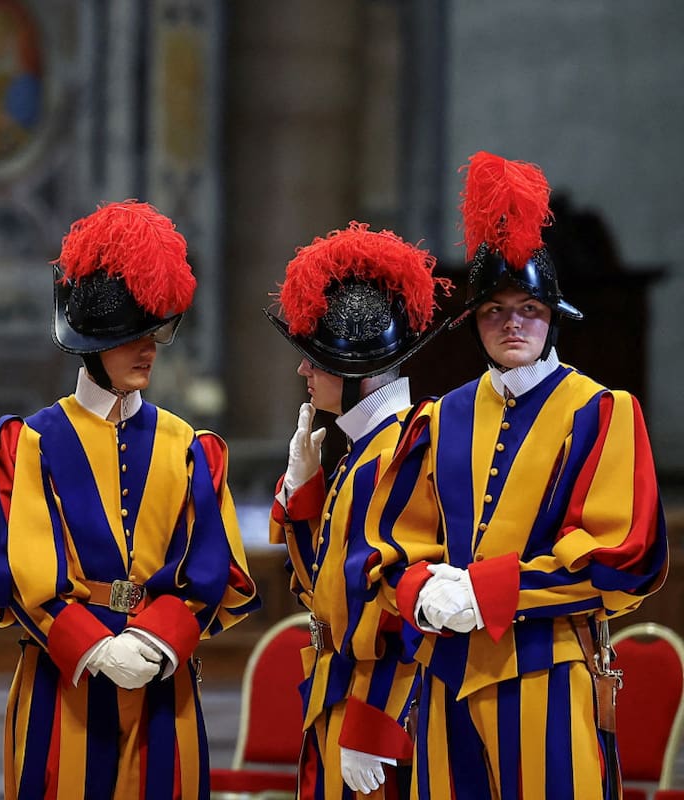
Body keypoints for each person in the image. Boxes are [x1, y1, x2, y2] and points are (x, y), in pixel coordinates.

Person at [362, 151, 669, 800]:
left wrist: (484, 591)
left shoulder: (600, 411)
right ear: (472, 321)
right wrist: (419, 588)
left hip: (549, 675)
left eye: (528, 307)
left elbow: (621, 558)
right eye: (494, 310)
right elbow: (393, 545)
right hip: (444, 676)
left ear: (553, 314)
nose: (513, 323)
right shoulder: (439, 418)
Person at [0, 200, 260, 799]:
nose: (150, 349)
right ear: (90, 343)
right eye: (132, 336)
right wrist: (96, 648)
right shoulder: (32, 442)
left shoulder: (189, 444)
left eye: (153, 332)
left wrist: (155, 641)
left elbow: (214, 568)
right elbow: (20, 576)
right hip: (64, 686)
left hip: (165, 680)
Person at [265, 222, 451, 800]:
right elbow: (319, 584)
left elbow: (401, 604)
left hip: (371, 708)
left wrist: (372, 725)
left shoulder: (399, 452)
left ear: (358, 372)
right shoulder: (364, 452)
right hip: (336, 692)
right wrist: (303, 491)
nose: (303, 371)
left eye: (314, 359)